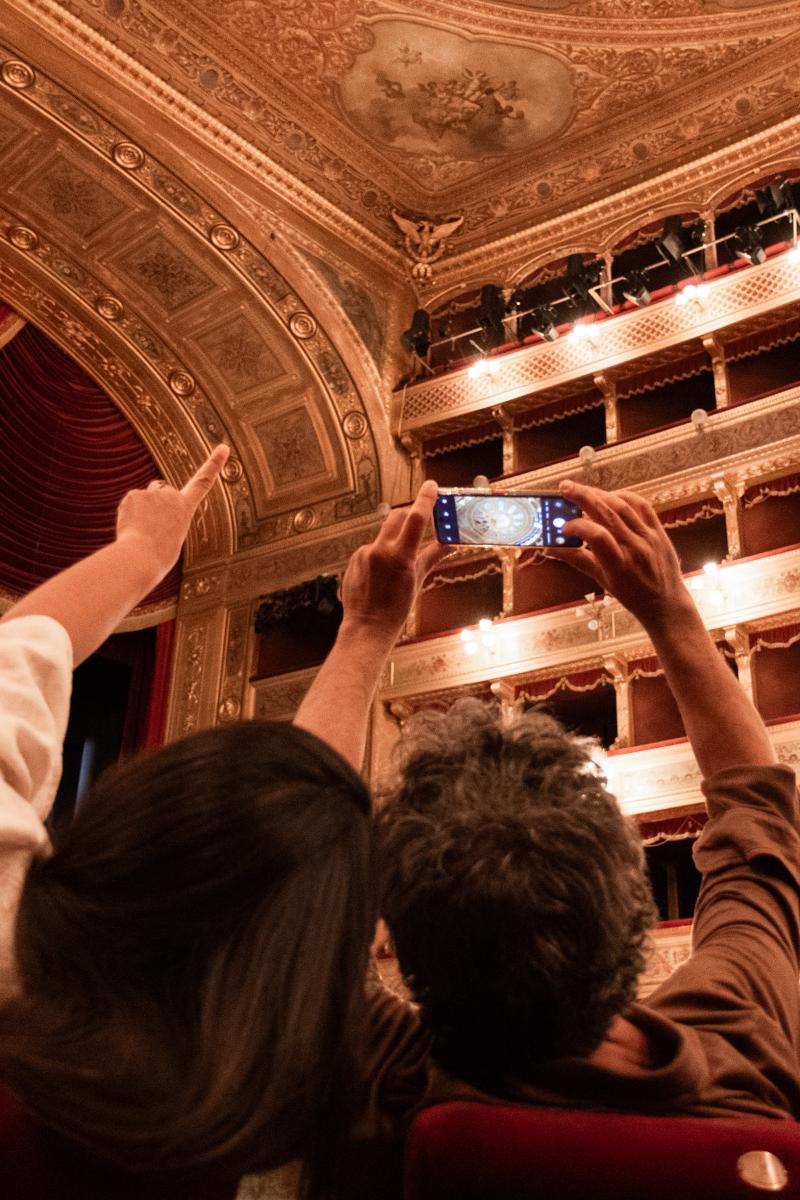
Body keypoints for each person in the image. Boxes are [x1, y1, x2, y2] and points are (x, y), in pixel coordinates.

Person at [302, 479, 800, 1198]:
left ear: (402, 953)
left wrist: (365, 628)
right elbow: (760, 812)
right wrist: (671, 611)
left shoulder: (391, 1085)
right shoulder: (742, 1045)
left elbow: (284, 872)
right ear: (633, 902)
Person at [0, 454, 442, 1192]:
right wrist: (364, 635)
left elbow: (20, 653)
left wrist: (143, 552)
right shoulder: (261, 1088)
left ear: (123, 815)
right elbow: (287, 872)